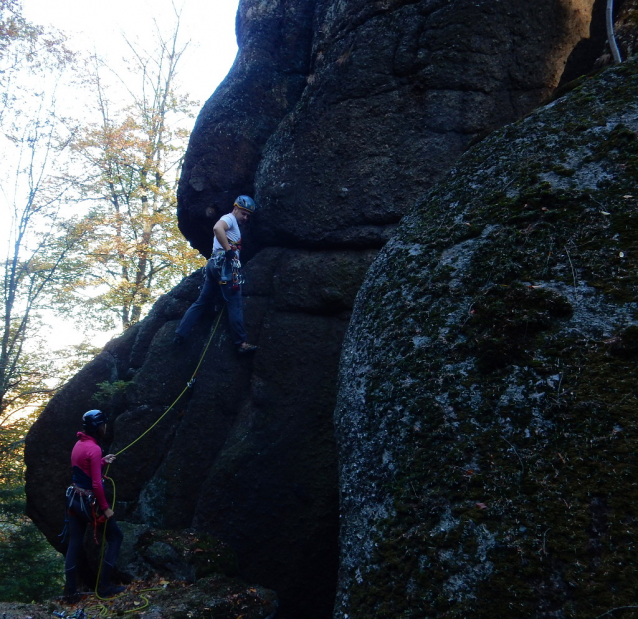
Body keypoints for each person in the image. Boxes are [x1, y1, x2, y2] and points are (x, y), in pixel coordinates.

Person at [174, 195, 258, 353]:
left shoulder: (232, 221)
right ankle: (241, 343)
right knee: (235, 303)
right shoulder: (230, 219)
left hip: (214, 265)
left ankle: (180, 333)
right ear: (235, 208)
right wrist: (228, 251)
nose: (245, 217)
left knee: (202, 301)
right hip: (224, 266)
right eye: (243, 213)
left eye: (248, 215)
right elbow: (217, 228)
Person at [63, 410, 124, 601]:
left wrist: (102, 462)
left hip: (74, 499)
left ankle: (71, 592)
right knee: (115, 537)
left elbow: (85, 468)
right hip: (90, 503)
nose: (106, 428)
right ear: (99, 427)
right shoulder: (94, 449)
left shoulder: (79, 444)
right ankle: (104, 586)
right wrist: (105, 508)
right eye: (104, 425)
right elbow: (96, 484)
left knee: (74, 543)